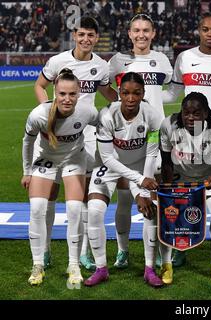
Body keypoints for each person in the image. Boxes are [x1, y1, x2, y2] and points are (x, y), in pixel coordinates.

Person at [33, 16, 118, 271]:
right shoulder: (58, 61)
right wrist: (47, 113)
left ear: (96, 37)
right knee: (50, 192)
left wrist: (129, 101)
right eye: (81, 34)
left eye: (91, 35)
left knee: (80, 196)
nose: (86, 39)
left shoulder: (101, 66)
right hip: (54, 134)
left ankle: (82, 254)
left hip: (86, 136)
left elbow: (107, 93)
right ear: (74, 35)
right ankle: (45, 250)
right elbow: (40, 85)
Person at [162, 12, 211, 266]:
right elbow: (174, 92)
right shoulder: (185, 58)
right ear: (199, 30)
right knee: (185, 193)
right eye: (205, 29)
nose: (209, 34)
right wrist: (149, 95)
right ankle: (182, 246)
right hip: (188, 136)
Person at [84, 72, 166, 287]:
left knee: (150, 211)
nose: (131, 98)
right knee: (94, 210)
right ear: (119, 93)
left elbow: (151, 154)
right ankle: (101, 268)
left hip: (140, 163)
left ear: (143, 94)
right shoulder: (106, 116)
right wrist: (139, 180)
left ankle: (150, 268)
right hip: (110, 166)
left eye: (136, 93)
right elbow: (108, 158)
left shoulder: (153, 116)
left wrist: (144, 191)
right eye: (126, 93)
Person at [108, 13, 173, 269]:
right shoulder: (118, 61)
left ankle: (156, 250)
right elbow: (106, 87)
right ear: (129, 34)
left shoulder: (162, 60)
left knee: (155, 196)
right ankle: (123, 251)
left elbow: (171, 90)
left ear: (153, 33)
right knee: (125, 197)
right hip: (126, 139)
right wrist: (119, 104)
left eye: (146, 30)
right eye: (136, 30)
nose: (141, 34)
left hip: (156, 136)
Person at [22, 69, 98, 286]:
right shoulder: (39, 114)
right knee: (37, 207)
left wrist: (102, 159)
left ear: (79, 93)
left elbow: (104, 128)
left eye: (72, 94)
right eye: (62, 93)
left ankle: (73, 264)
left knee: (74, 209)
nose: (67, 99)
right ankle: (38, 264)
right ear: (54, 92)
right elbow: (27, 142)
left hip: (74, 159)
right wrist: (27, 171)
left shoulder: (86, 111)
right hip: (46, 159)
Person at [159, 92, 211, 284]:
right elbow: (166, 161)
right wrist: (169, 190)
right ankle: (166, 264)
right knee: (170, 216)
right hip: (179, 178)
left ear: (206, 113)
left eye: (196, 112)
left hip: (206, 179)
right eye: (186, 112)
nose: (191, 117)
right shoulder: (168, 126)